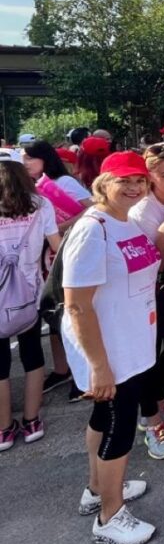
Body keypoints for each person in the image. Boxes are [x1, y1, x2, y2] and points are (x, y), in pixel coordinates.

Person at [61, 151, 161, 544]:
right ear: (104, 184)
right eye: (125, 180)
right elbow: (76, 305)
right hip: (110, 350)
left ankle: (96, 489)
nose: (134, 187)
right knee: (120, 426)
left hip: (131, 342)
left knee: (104, 416)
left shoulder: (126, 221)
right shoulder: (92, 229)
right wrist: (99, 366)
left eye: (140, 180)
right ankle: (110, 517)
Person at [129, 142, 164, 461]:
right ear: (150, 177)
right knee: (149, 358)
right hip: (149, 294)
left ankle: (157, 399)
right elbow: (153, 266)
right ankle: (150, 421)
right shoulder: (142, 213)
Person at [21, 140, 92, 397]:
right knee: (53, 316)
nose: (25, 163)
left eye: (30, 158)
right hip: (46, 258)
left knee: (68, 314)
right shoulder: (31, 187)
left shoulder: (63, 182)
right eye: (23, 158)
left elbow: (92, 209)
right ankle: (62, 369)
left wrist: (56, 227)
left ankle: (83, 373)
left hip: (68, 254)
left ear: (45, 158)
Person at [0, 161, 60, 450]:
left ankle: (3, 429)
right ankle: (32, 420)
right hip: (30, 293)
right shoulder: (41, 205)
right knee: (33, 355)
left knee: (0, 365)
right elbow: (57, 245)